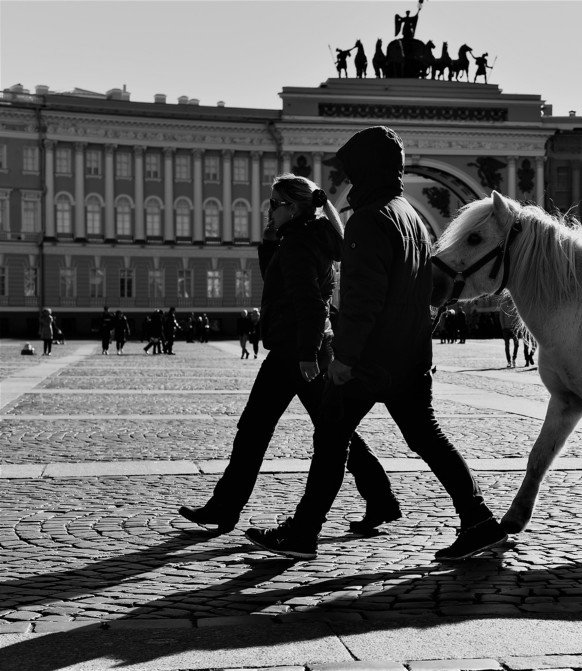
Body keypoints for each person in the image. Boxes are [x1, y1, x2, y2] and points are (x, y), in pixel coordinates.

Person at [245, 126, 507, 562]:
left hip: (369, 360)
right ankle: (479, 520)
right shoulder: (412, 217)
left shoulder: (368, 219)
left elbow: (363, 299)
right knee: (427, 438)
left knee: (331, 437)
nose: (349, 177)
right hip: (410, 355)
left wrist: (345, 358)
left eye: (352, 168)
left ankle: (304, 532)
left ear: (366, 169)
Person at [179, 174, 399, 541]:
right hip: (297, 350)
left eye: (275, 204)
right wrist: (268, 246)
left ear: (294, 207)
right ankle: (380, 499)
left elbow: (310, 304)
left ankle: (226, 507)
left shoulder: (299, 244)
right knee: (308, 430)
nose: (269, 210)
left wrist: (307, 355)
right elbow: (283, 288)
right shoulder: (307, 238)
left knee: (291, 431)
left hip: (297, 354)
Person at [499, 302, 520, 368]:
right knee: (507, 345)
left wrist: (517, 327)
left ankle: (514, 359)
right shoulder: (503, 305)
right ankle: (509, 361)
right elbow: (501, 317)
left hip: (514, 328)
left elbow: (517, 316)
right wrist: (503, 328)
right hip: (506, 329)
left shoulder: (515, 304)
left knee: (516, 344)